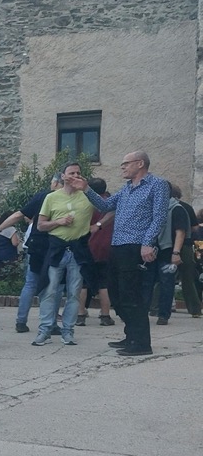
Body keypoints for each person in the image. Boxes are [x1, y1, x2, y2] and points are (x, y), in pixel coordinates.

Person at [67, 150, 168, 356]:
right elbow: (105, 205)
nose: (122, 167)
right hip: (117, 246)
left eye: (126, 164)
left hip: (136, 246)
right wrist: (86, 188)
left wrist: (147, 243)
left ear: (140, 164)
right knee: (116, 293)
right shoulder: (126, 188)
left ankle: (141, 344)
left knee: (132, 295)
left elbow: (159, 217)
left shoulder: (157, 185)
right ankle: (131, 335)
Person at [32, 163, 93, 346]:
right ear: (63, 176)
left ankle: (68, 331)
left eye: (78, 173)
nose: (75, 176)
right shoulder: (51, 197)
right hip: (57, 248)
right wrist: (58, 222)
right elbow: (40, 225)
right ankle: (45, 330)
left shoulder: (87, 196)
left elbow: (109, 208)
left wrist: (98, 226)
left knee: (74, 293)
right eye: (71, 173)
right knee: (49, 290)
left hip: (78, 249)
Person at [0, 174, 63, 333]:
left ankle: (21, 321)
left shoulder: (42, 196)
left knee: (31, 283)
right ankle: (51, 322)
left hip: (37, 243)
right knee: (55, 285)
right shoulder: (69, 199)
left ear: (55, 183)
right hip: (57, 244)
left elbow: (20, 214)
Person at [151, 181, 191, 326]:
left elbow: (180, 232)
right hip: (152, 250)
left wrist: (176, 252)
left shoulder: (176, 209)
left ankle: (163, 315)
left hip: (168, 252)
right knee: (147, 283)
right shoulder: (155, 208)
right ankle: (144, 311)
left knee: (166, 284)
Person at [81, 178, 116, 327]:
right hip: (107, 246)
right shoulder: (111, 203)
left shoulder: (86, 203)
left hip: (88, 245)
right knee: (104, 283)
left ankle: (80, 314)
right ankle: (105, 315)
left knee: (83, 283)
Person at [169, 184, 201, 319]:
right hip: (186, 245)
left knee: (164, 277)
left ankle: (156, 307)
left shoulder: (164, 206)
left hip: (167, 245)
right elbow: (195, 228)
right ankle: (195, 309)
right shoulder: (186, 207)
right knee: (188, 278)